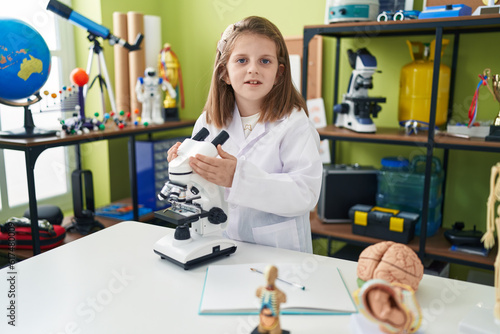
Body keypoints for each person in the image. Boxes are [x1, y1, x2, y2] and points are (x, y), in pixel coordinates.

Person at [167, 16, 322, 253]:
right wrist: (185, 167)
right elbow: (200, 185)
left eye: (264, 61)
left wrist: (238, 178)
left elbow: (305, 194)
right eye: (241, 60)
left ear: (279, 74)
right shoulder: (209, 121)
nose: (253, 69)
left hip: (279, 251)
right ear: (225, 73)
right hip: (223, 241)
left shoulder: (295, 124)